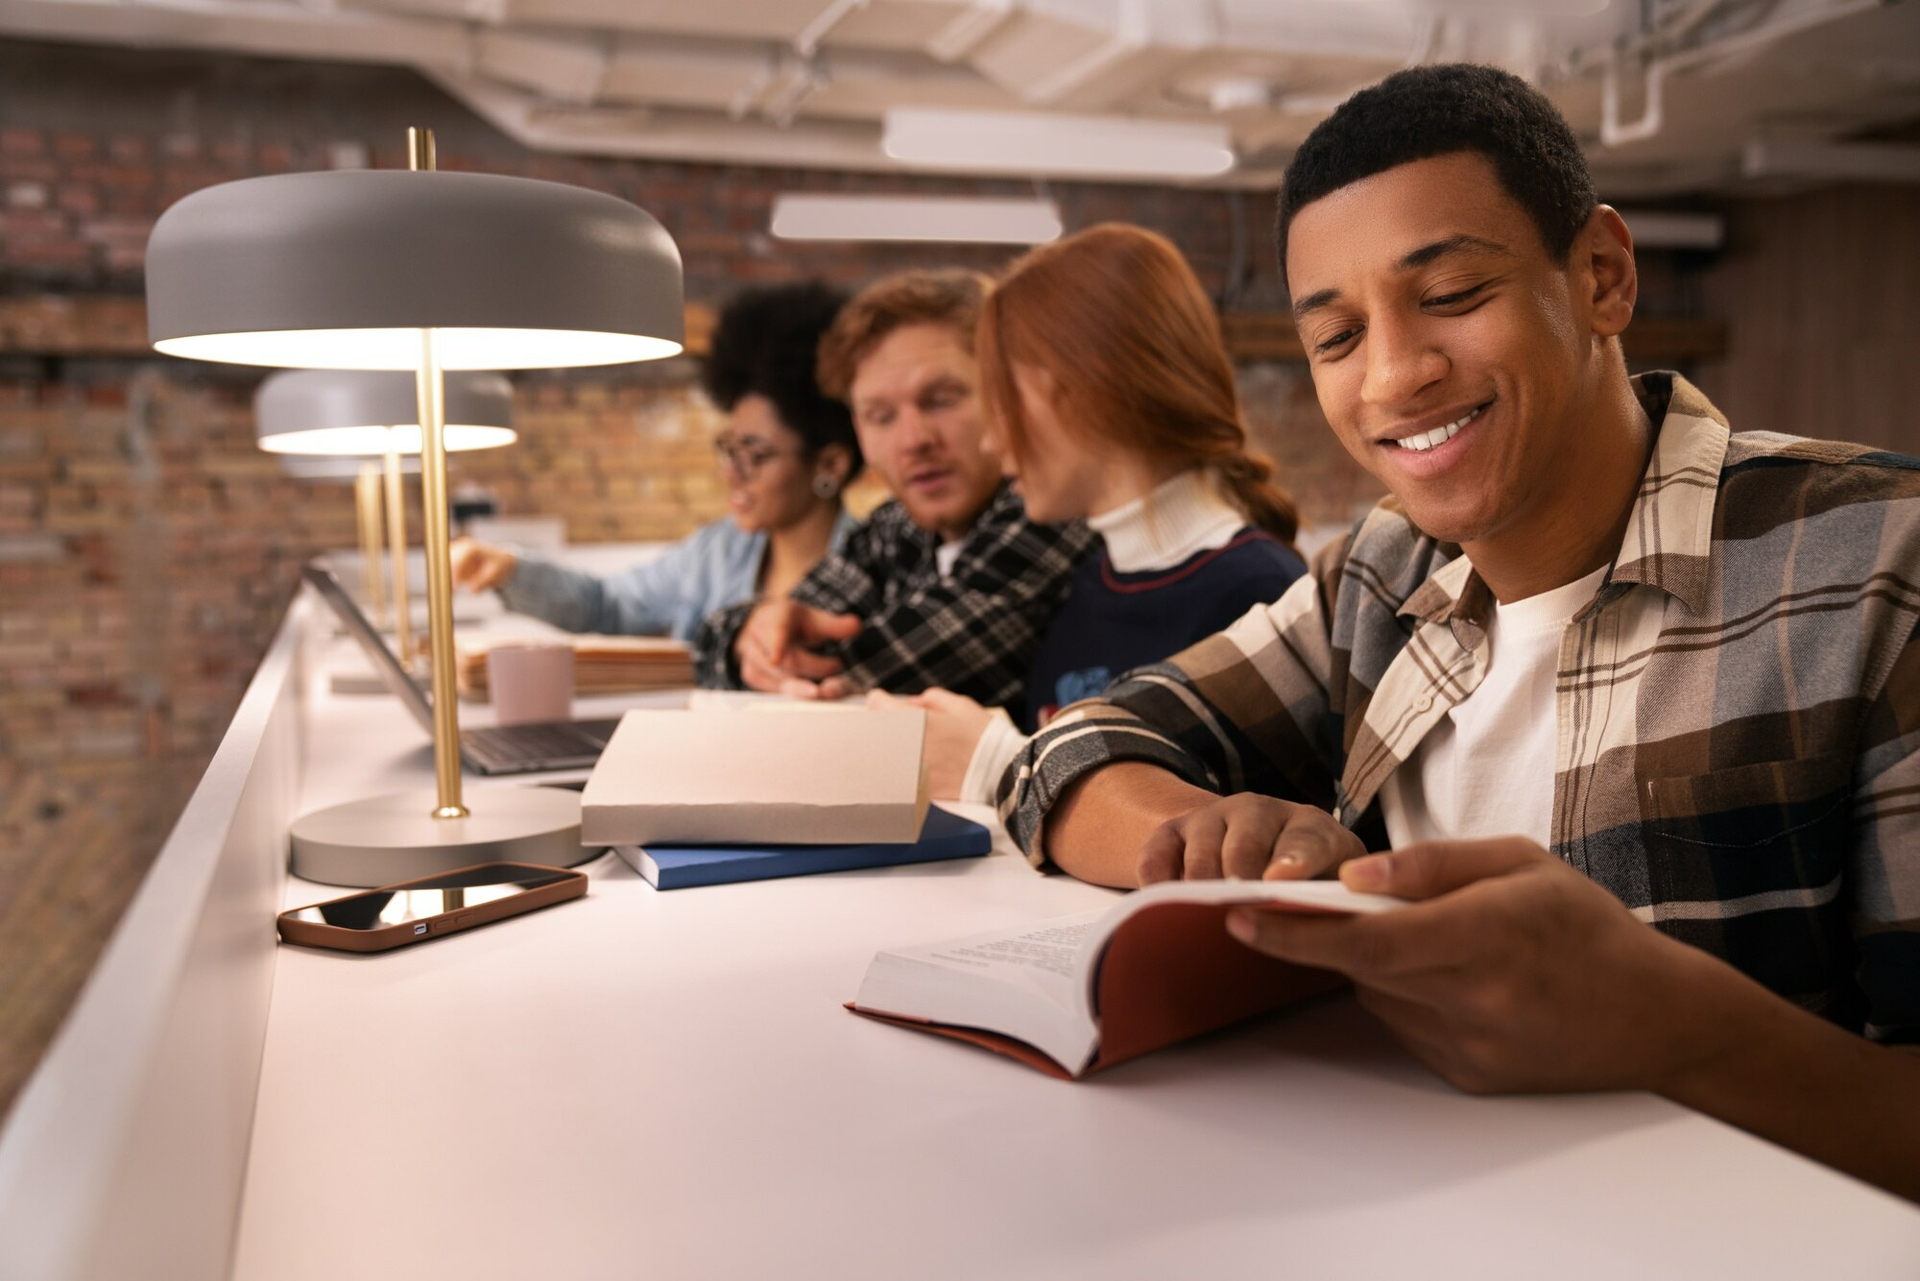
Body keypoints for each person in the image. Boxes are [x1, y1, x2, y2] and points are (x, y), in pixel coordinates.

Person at [999, 64, 1920, 1200]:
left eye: (1449, 296)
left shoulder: (1880, 567)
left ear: (1602, 276)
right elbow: (1072, 749)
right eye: (1336, 339)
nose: (1394, 375)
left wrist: (1670, 1026)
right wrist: (1224, 841)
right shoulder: (1382, 574)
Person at [869, 224, 1306, 803]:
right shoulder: (1087, 582)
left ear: (1085, 386)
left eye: (1007, 400)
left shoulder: (1259, 593)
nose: (992, 441)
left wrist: (1003, 764)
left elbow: (1226, 840)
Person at [692, 269, 1096, 710]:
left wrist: (776, 660)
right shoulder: (894, 528)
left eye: (941, 400)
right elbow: (717, 640)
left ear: (1006, 391)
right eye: (881, 416)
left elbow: (913, 656)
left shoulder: (1051, 509)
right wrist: (753, 631)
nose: (914, 440)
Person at [448, 281, 861, 639]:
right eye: (729, 450)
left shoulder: (876, 570)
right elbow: (608, 605)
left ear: (830, 464)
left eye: (754, 454)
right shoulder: (717, 553)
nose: (730, 474)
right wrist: (508, 569)